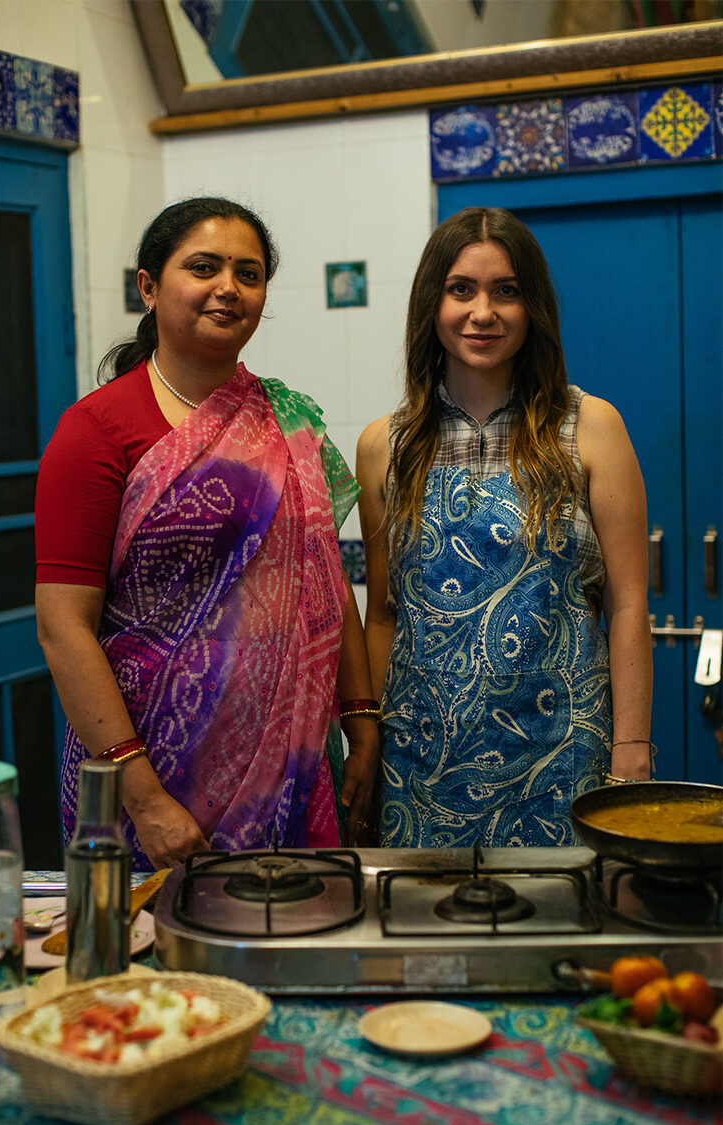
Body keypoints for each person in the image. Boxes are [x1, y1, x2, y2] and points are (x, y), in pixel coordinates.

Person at [36, 197, 378, 870]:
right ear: (149, 285)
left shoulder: (291, 421)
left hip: (296, 760)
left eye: (248, 273)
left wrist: (362, 720)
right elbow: (62, 627)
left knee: (298, 946)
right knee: (150, 968)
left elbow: (326, 582)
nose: (228, 287)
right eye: (204, 266)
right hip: (147, 769)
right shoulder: (97, 430)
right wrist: (143, 796)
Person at [356, 206, 652, 848]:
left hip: (564, 759)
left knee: (562, 939)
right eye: (461, 289)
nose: (482, 312)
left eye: (506, 292)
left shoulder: (591, 427)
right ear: (431, 306)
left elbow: (629, 606)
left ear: (533, 307)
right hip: (420, 769)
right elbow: (382, 613)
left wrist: (631, 751)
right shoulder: (387, 444)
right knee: (428, 943)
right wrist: (373, 745)